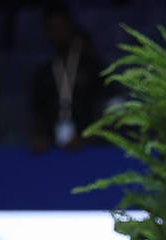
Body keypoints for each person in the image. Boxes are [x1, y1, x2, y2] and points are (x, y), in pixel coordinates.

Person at [30, 3, 106, 151]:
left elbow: (108, 109)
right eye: (52, 28)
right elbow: (37, 114)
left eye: (61, 27)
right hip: (51, 148)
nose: (57, 33)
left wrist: (88, 139)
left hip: (89, 146)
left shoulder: (92, 68)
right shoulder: (43, 73)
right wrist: (39, 136)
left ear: (71, 28)